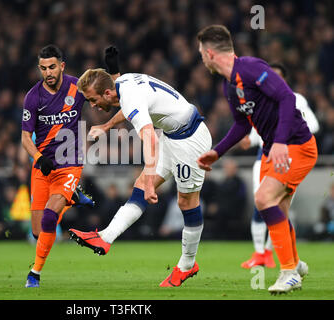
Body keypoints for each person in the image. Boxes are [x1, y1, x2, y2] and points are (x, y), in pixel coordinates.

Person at [68, 47, 212, 287]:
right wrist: (105, 126)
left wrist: (151, 179)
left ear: (105, 93)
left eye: (93, 100)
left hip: (191, 141)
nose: (92, 106)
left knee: (187, 202)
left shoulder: (128, 95)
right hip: (173, 135)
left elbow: (150, 138)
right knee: (140, 184)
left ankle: (188, 264)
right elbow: (121, 98)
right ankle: (105, 237)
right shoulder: (120, 84)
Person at [196, 25, 317, 294]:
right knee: (279, 209)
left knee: (264, 199)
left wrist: (282, 141)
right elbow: (241, 126)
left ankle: (288, 272)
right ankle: (294, 264)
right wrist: (218, 151)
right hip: (274, 149)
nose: (201, 59)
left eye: (201, 53)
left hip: (296, 145)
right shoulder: (230, 87)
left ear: (210, 52)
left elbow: (286, 96)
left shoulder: (250, 68)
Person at [21, 45, 93, 288]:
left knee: (51, 216)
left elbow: (107, 89)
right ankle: (71, 196)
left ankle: (35, 273)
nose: (48, 72)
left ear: (62, 65)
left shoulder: (77, 86)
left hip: (70, 162)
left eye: (52, 67)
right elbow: (24, 138)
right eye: (43, 68)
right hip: (43, 167)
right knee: (37, 232)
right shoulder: (33, 96)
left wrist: (114, 72)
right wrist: (39, 158)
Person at [239, 62, 320, 269]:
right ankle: (262, 253)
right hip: (263, 156)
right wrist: (250, 139)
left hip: (291, 152)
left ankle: (278, 257)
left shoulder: (295, 98)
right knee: (264, 203)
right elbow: (258, 130)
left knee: (275, 205)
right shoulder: (260, 99)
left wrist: (290, 132)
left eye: (275, 77)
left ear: (283, 79)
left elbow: (313, 125)